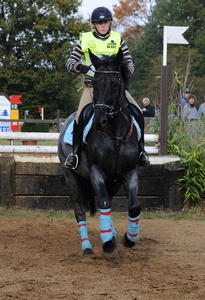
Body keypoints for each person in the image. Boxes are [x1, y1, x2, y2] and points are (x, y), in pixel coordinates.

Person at [64, 6, 150, 169]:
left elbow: (129, 63)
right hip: (92, 86)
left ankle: (141, 152)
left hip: (115, 87)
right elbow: (69, 62)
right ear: (94, 25)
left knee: (137, 112)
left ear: (110, 23)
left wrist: (123, 77)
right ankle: (74, 154)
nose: (103, 25)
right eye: (99, 23)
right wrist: (79, 67)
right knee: (80, 117)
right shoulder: (85, 39)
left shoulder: (117, 39)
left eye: (105, 22)